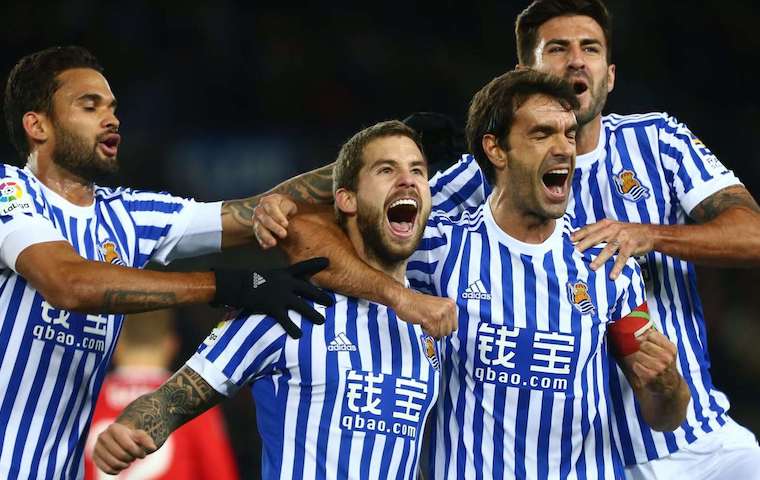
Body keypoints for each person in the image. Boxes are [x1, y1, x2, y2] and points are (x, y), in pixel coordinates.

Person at [253, 69, 691, 478]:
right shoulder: (437, 249)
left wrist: (668, 385)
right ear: (495, 149)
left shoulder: (607, 267)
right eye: (542, 134)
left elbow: (664, 415)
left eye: (569, 134)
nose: (564, 148)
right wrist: (400, 296)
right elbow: (307, 237)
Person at [0, 45, 334, 479]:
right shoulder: (8, 191)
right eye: (90, 106)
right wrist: (226, 285)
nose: (112, 119)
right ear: (37, 125)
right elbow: (68, 283)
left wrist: (370, 164)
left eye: (113, 108)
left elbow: (254, 211)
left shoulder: (128, 216)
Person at [93, 120, 443, 479]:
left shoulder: (429, 323)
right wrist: (129, 428)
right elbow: (169, 402)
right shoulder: (286, 305)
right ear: (346, 198)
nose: (407, 180)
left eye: (418, 170)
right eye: (387, 170)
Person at [83, 309, 239, 479]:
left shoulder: (86, 400)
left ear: (116, 344)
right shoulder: (191, 399)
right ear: (171, 345)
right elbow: (220, 474)